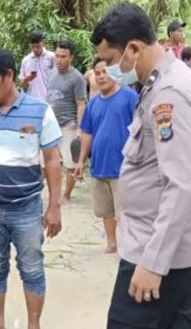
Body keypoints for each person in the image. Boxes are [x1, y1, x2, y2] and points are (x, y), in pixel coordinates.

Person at [91, 3, 191, 328]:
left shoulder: (167, 95)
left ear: (133, 48)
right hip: (154, 240)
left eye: (111, 61)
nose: (109, 69)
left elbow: (181, 184)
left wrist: (154, 264)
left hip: (157, 250)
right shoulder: (160, 82)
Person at [0, 49, 63, 329]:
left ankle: (33, 324)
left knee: (31, 268)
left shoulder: (40, 111)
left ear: (9, 76)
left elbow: (53, 160)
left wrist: (54, 206)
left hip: (27, 210)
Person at [74, 57, 138, 254]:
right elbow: (87, 133)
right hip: (99, 165)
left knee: (125, 212)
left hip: (124, 166)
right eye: (98, 73)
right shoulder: (93, 103)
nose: (101, 77)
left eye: (105, 72)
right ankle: (112, 244)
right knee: (106, 211)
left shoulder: (130, 97)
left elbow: (140, 130)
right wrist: (80, 161)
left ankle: (128, 247)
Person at [46, 40, 87, 202]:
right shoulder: (52, 73)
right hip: (51, 125)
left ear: (71, 58)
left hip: (68, 124)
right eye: (57, 56)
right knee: (48, 162)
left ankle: (66, 194)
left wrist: (79, 128)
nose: (59, 60)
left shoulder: (77, 78)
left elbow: (81, 104)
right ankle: (52, 193)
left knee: (70, 163)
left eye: (63, 56)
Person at [20, 29, 55, 100]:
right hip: (32, 100)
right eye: (33, 47)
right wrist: (26, 80)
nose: (35, 49)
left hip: (50, 100)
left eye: (38, 46)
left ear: (43, 43)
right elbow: (23, 86)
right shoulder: (26, 61)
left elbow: (58, 78)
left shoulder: (52, 57)